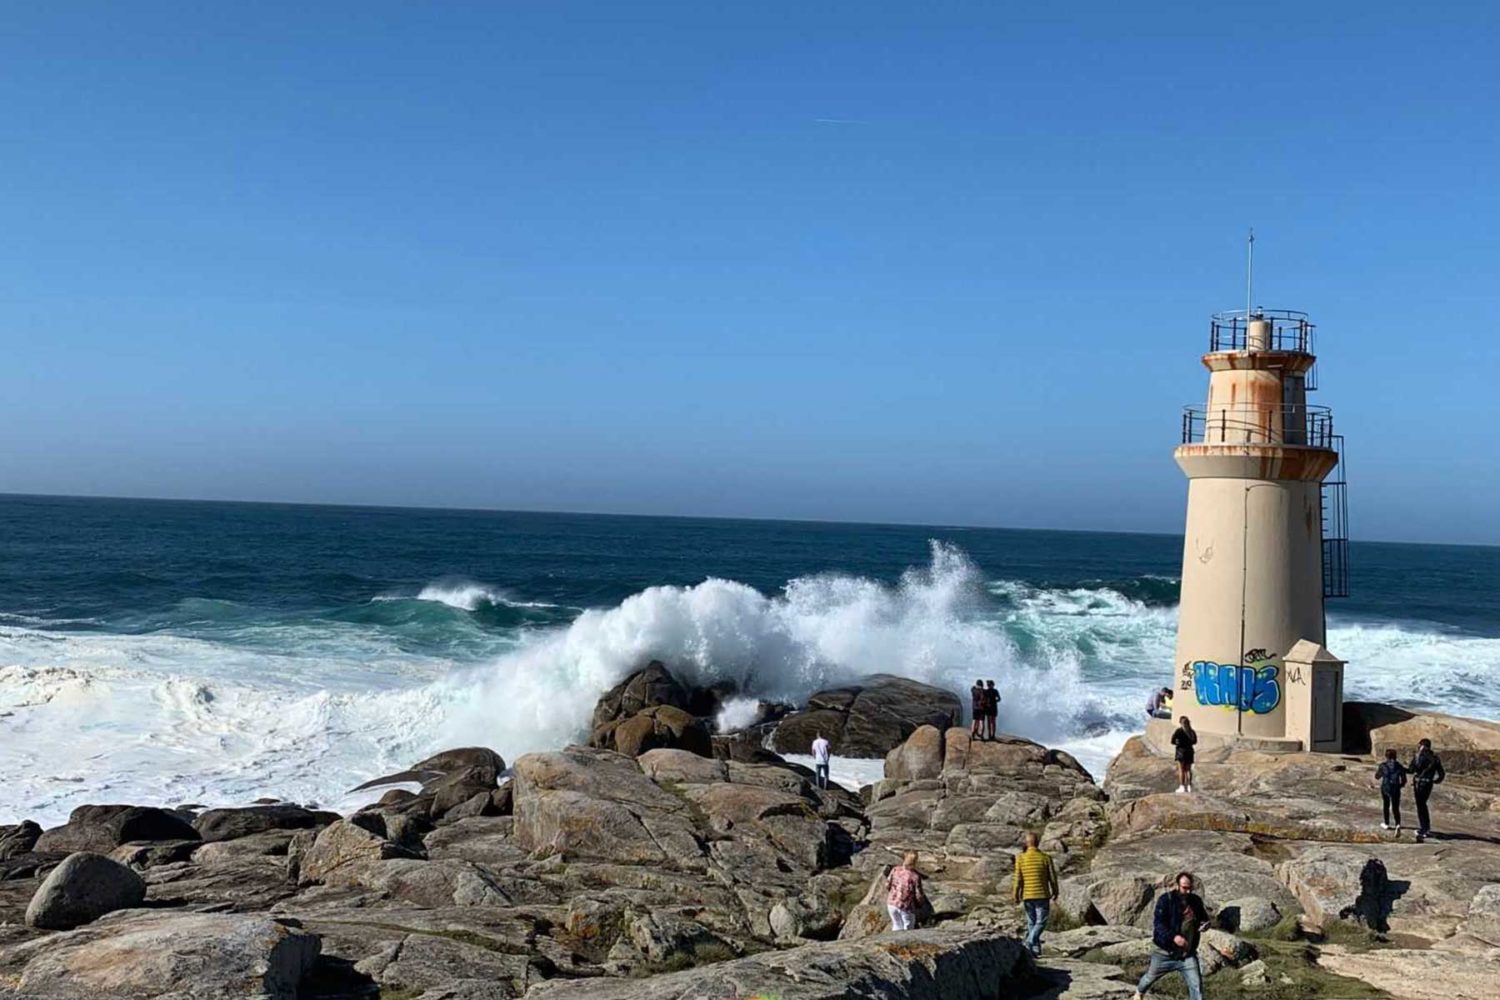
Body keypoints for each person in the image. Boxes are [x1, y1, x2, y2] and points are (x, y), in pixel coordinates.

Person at [1132, 871, 1210, 1000]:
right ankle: (1139, 993)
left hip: (1187, 954)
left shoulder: (1196, 901)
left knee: (1197, 987)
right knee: (1149, 978)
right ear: (1177, 885)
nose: (1188, 891)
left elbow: (1204, 918)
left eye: (1190, 888)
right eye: (1185, 888)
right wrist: (1174, 937)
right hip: (1164, 953)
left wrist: (1205, 925)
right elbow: (1159, 925)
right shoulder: (1165, 900)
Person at [1013, 831, 1059, 957]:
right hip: (1042, 895)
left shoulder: (1020, 858)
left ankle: (1035, 950)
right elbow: (1052, 878)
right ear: (1037, 843)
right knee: (1041, 922)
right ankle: (1030, 941)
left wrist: (1015, 894)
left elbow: (1018, 879)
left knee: (1032, 922)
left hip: (1027, 895)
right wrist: (1055, 891)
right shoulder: (1045, 858)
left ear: (1026, 844)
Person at [1409, 738, 1445, 842]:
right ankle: (1426, 827)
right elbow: (1441, 773)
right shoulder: (1435, 758)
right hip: (1428, 784)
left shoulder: (1419, 756)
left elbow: (1412, 769)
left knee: (1421, 806)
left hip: (1419, 783)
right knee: (1423, 805)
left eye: (1419, 745)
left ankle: (1424, 829)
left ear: (1422, 746)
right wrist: (1436, 780)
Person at [886, 851, 926, 931]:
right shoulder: (915, 876)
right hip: (906, 906)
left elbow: (887, 884)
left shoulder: (895, 870)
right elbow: (918, 895)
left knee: (896, 925)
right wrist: (921, 905)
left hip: (891, 903)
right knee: (908, 928)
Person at [1374, 747, 1407, 833]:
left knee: (1386, 805)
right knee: (1396, 807)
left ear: (1386, 756)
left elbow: (1377, 777)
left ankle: (1386, 823)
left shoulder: (1383, 765)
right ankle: (1398, 824)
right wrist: (1400, 786)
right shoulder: (1399, 766)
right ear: (1395, 756)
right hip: (1395, 788)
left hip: (1386, 787)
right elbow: (1404, 780)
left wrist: (1380, 773)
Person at [1171, 716, 1197, 794]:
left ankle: (1182, 787)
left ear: (1180, 723)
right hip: (1190, 751)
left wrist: (1178, 743)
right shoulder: (1192, 731)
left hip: (1181, 752)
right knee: (1188, 770)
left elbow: (1172, 741)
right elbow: (1195, 741)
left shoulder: (1179, 731)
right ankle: (1189, 786)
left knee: (1181, 770)